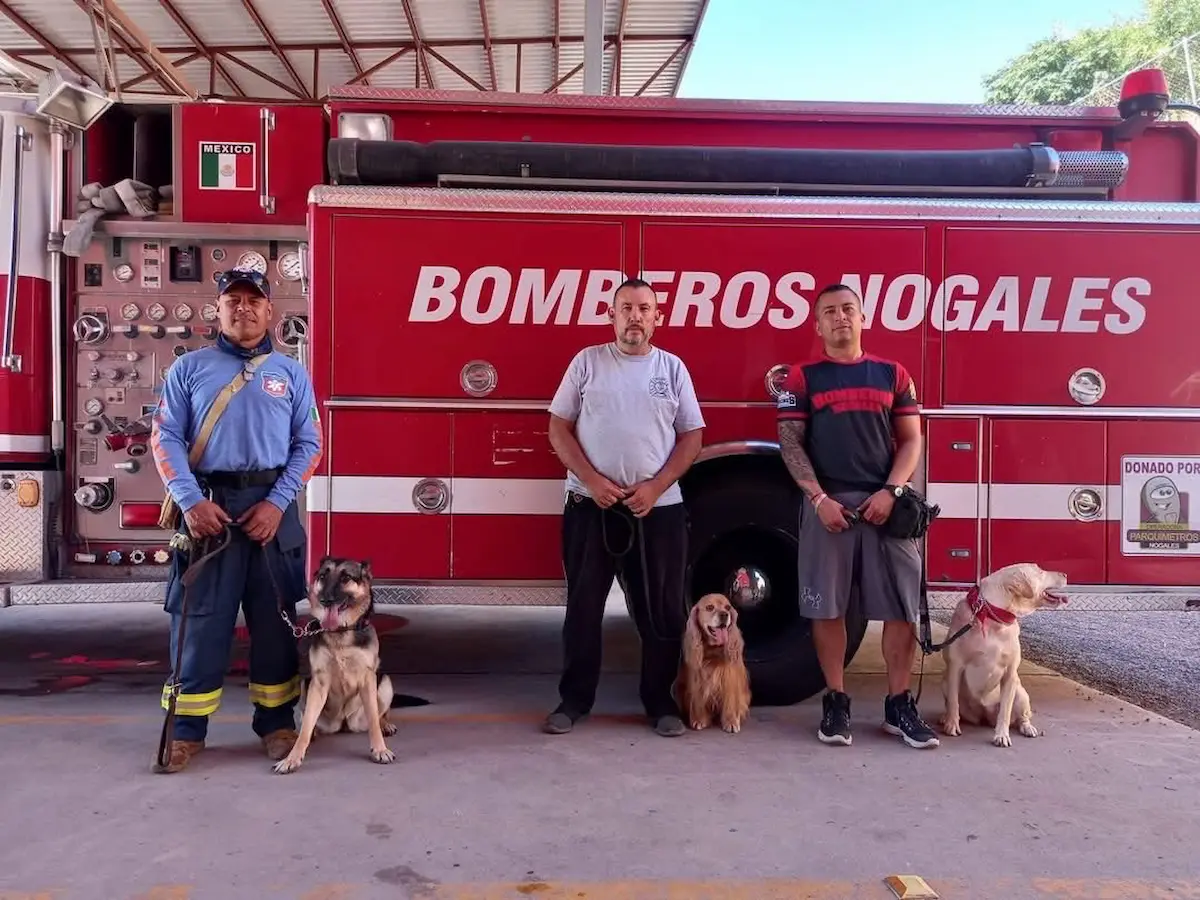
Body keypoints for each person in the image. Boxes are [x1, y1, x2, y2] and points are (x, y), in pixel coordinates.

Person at [149, 266, 323, 773]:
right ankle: (185, 732)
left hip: (271, 511)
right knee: (199, 625)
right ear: (217, 309)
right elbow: (166, 439)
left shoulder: (291, 373)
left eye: (254, 301)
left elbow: (309, 445)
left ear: (271, 311)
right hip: (209, 512)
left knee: (275, 625)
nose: (243, 308)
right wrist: (189, 501)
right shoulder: (188, 369)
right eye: (233, 301)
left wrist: (276, 503)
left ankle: (276, 725)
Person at [775, 283, 939, 749]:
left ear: (863, 317)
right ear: (817, 324)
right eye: (830, 312)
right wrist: (818, 499)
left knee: (903, 610)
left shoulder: (893, 373)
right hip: (831, 509)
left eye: (848, 309)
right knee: (828, 608)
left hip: (889, 510)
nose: (840, 317)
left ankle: (899, 705)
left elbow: (911, 440)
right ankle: (836, 702)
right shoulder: (801, 378)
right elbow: (790, 443)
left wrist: (892, 491)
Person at [542, 277, 705, 738]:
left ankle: (660, 703)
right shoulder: (587, 363)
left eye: (644, 308)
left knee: (662, 612)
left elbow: (692, 436)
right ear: (611, 315)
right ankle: (573, 701)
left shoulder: (672, 368)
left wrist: (656, 486)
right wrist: (591, 481)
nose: (635, 316)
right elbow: (558, 427)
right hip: (590, 508)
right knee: (584, 609)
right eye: (626, 307)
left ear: (658, 317)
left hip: (658, 510)